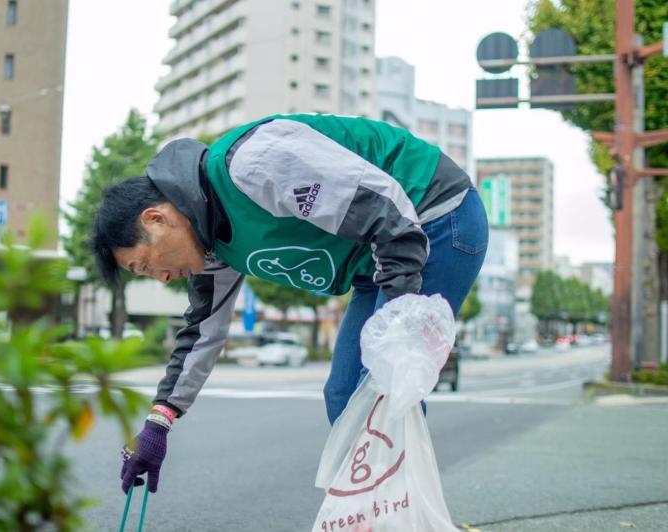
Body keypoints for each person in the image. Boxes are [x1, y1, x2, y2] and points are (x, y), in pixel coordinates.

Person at [90, 113, 489, 495]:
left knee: (383, 388)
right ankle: (384, 513)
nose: (160, 278)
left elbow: (385, 210)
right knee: (347, 397)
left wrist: (401, 315)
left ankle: (400, 516)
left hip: (434, 217)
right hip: (375, 261)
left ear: (156, 218)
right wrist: (159, 422)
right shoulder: (212, 246)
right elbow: (201, 334)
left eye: (144, 265)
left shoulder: (256, 163)